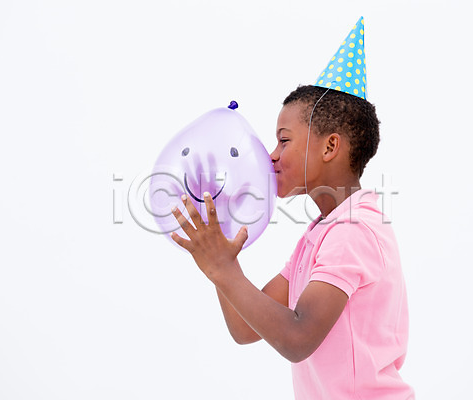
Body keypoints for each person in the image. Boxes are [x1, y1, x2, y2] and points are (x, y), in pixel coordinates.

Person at [171, 18, 414, 400]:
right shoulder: (321, 233)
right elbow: (245, 329)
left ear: (330, 147)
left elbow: (298, 338)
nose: (271, 156)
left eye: (284, 141)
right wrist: (220, 251)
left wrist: (223, 268)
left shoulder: (353, 231)